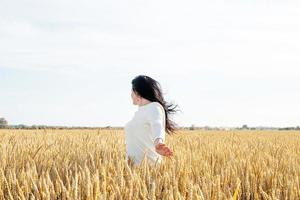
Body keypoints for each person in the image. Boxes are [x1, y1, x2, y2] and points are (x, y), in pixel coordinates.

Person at [124, 75, 180, 167]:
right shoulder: (140, 111)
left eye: (131, 91)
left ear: (137, 91)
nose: (130, 95)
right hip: (133, 170)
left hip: (150, 169)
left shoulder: (154, 107)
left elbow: (157, 125)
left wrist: (158, 143)